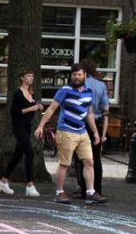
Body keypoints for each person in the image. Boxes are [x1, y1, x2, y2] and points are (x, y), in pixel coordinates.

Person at [33, 63, 107, 205]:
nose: (76, 77)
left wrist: (96, 133)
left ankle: (90, 192)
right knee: (65, 164)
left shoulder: (88, 92)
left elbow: (89, 114)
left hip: (83, 132)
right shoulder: (64, 90)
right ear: (70, 76)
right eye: (74, 75)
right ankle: (59, 192)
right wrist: (41, 126)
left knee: (89, 162)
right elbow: (51, 109)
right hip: (66, 131)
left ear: (85, 75)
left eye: (79, 74)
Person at [0, 70, 43, 197]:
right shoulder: (18, 93)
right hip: (18, 127)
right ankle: (30, 185)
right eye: (28, 76)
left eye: (32, 76)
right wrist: (32, 108)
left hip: (27, 127)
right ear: (22, 78)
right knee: (29, 152)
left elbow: (31, 109)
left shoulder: (31, 93)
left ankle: (3, 181)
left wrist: (38, 107)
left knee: (17, 154)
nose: (31, 78)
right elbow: (14, 112)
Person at [73, 59, 109, 198]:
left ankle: (84, 189)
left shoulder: (80, 84)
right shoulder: (101, 85)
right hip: (98, 123)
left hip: (81, 123)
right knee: (96, 159)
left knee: (82, 158)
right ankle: (97, 189)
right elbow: (106, 110)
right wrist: (103, 133)